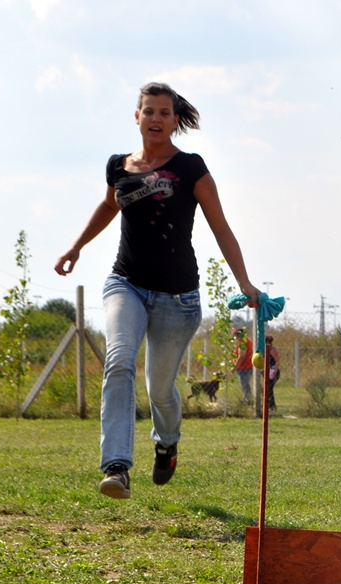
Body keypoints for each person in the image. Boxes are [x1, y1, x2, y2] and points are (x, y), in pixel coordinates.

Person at [54, 82, 260, 500]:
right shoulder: (118, 166)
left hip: (178, 298)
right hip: (125, 283)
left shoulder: (190, 168)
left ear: (174, 119)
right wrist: (76, 245)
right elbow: (110, 205)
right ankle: (116, 466)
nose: (156, 119)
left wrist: (244, 281)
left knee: (160, 390)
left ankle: (167, 444)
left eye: (164, 112)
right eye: (148, 111)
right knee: (119, 362)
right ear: (137, 117)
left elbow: (220, 226)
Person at [233, 327, 254, 404]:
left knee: (245, 384)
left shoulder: (242, 342)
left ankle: (247, 400)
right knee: (245, 383)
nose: (235, 338)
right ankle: (246, 398)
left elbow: (241, 356)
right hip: (247, 366)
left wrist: (234, 368)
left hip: (244, 367)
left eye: (235, 336)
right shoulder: (248, 340)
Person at [265, 335, 281, 412]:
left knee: (269, 388)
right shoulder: (265, 350)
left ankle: (272, 406)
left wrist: (275, 370)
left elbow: (277, 361)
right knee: (267, 388)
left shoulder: (272, 350)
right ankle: (269, 405)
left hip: (273, 371)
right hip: (268, 371)